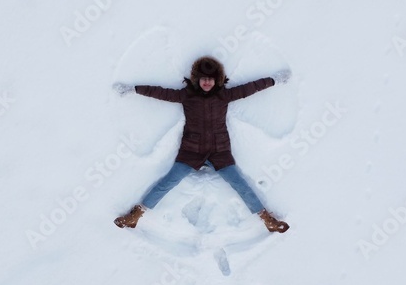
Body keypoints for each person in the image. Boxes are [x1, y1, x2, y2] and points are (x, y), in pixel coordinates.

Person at [112, 56, 291, 233]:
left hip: (219, 152)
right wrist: (133, 89)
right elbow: (161, 93)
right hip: (191, 151)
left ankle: (267, 220)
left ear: (216, 80)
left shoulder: (224, 96)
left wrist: (274, 80)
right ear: (197, 80)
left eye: (210, 79)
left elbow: (250, 88)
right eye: (203, 79)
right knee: (167, 182)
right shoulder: (187, 96)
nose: (207, 82)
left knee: (241, 185)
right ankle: (136, 216)